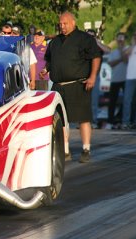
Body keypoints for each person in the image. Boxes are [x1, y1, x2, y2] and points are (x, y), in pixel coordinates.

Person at [43, 12, 102, 163]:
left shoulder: (84, 39)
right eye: (60, 24)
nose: (62, 26)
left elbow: (96, 56)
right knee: (61, 120)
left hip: (79, 84)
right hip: (58, 87)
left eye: (65, 23)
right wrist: (46, 69)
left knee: (83, 118)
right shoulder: (55, 42)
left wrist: (93, 77)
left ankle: (86, 149)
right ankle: (65, 150)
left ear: (73, 22)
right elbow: (49, 59)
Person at [86, 29, 111, 129]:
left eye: (92, 36)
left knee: (94, 101)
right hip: (83, 77)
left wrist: (96, 42)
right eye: (88, 36)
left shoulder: (98, 46)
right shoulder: (82, 46)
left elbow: (109, 50)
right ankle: (84, 122)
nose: (90, 38)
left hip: (95, 77)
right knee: (83, 101)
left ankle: (94, 121)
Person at [121, 28, 136, 130]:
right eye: (135, 35)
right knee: (127, 101)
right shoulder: (129, 47)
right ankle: (126, 122)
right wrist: (133, 44)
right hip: (130, 78)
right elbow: (125, 58)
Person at [106, 32, 128, 129]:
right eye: (119, 39)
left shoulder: (128, 49)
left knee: (127, 101)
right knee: (112, 101)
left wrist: (121, 50)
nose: (120, 41)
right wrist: (120, 58)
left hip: (126, 79)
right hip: (115, 79)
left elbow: (126, 60)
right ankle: (110, 121)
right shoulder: (113, 52)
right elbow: (111, 63)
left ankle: (123, 119)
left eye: (122, 39)